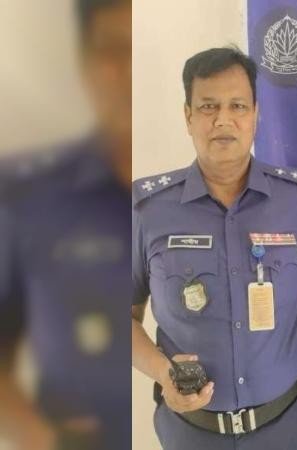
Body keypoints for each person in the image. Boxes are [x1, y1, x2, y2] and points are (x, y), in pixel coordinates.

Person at [131, 47, 297, 450]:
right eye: (208, 106)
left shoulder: (296, 200)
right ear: (188, 116)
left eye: (237, 106)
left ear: (255, 115)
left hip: (288, 428)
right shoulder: (146, 209)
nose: (223, 120)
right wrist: (162, 372)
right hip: (191, 435)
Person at [0, 1, 132, 448]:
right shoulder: (27, 197)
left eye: (138, 51)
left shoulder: (199, 190)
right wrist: (38, 437)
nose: (128, 71)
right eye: (113, 49)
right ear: (85, 60)